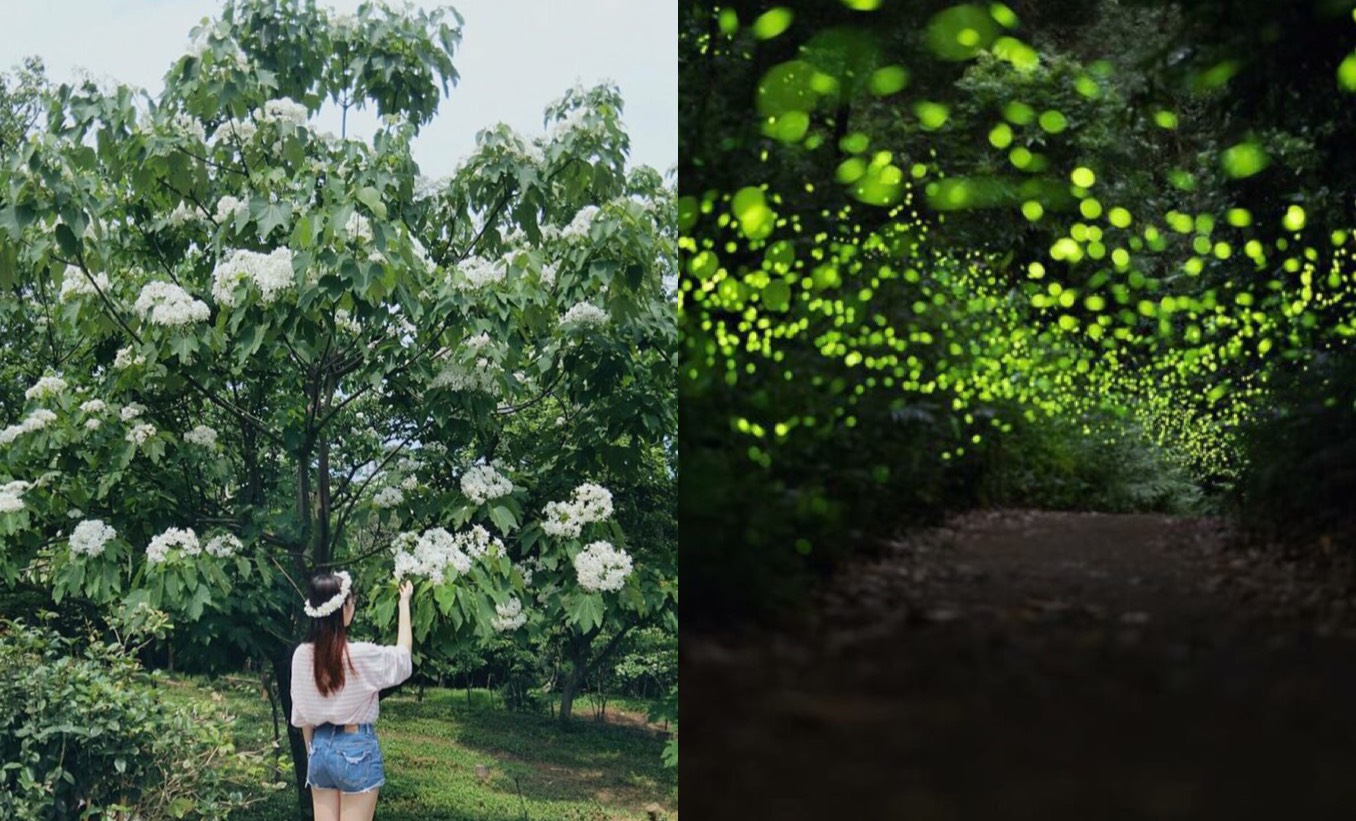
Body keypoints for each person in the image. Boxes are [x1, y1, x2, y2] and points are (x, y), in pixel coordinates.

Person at [290, 570, 414, 821]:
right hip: (355, 745)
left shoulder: (301, 656)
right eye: (351, 602)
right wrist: (404, 604)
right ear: (342, 608)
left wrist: (314, 753)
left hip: (319, 747)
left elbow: (302, 716)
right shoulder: (359, 655)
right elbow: (403, 660)